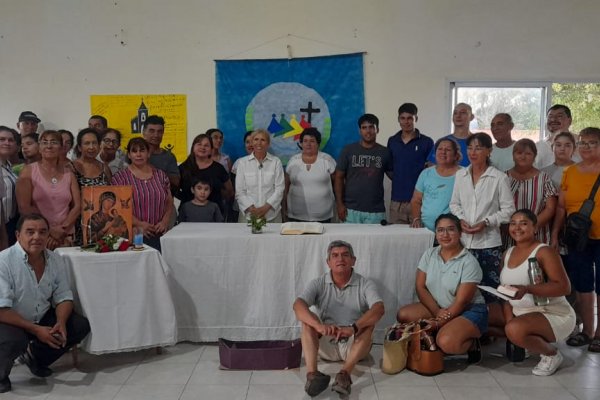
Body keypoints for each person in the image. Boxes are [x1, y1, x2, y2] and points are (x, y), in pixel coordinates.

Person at [0, 214, 91, 393]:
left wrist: (61, 323)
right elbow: (2, 309)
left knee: (79, 326)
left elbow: (64, 296)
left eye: (42, 232)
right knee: (14, 340)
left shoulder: (54, 259)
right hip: (10, 320)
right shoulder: (3, 261)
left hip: (39, 316)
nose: (37, 237)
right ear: (18, 235)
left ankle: (35, 357)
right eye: (30, 232)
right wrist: (35, 330)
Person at [293, 240, 384, 397]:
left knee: (369, 324)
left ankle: (344, 375)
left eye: (345, 255)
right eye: (335, 256)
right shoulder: (318, 283)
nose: (340, 259)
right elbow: (297, 305)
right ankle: (313, 375)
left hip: (353, 345)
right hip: (326, 342)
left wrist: (353, 328)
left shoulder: (365, 283)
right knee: (308, 320)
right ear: (328, 262)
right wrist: (319, 326)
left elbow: (379, 308)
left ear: (353, 260)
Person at [397, 214, 487, 363]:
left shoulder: (469, 262)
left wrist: (439, 322)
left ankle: (472, 344)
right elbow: (420, 287)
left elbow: (462, 302)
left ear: (460, 233)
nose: (445, 235)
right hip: (440, 307)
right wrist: (437, 312)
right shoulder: (429, 254)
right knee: (404, 315)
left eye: (451, 230)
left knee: (446, 342)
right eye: (440, 230)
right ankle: (446, 329)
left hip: (468, 309)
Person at [450, 132, 515, 329]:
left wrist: (486, 222)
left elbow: (509, 210)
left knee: (491, 290)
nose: (473, 152)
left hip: (488, 243)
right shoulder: (460, 175)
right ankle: (471, 330)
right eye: (470, 148)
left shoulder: (499, 177)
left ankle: (499, 331)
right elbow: (454, 204)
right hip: (464, 243)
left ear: (488, 151)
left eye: (478, 148)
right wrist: (460, 220)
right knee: (465, 290)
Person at [500, 209, 575, 376]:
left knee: (513, 329)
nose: (517, 228)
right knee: (487, 315)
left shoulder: (544, 251)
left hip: (551, 313)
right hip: (521, 311)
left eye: (523, 223)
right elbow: (506, 293)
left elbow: (564, 287)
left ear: (535, 228)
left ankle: (551, 354)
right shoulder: (507, 253)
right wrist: (508, 320)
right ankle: (524, 340)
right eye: (513, 223)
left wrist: (527, 289)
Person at [551, 127, 600, 353]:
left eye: (592, 142)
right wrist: (554, 235)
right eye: (583, 142)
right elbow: (561, 207)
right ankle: (588, 331)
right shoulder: (570, 172)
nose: (586, 146)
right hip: (577, 237)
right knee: (582, 284)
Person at [16, 130, 81, 250]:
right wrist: (49, 230)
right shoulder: (28, 171)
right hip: (37, 236)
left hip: (65, 236)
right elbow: (24, 207)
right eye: (44, 142)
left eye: (54, 142)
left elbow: (77, 206)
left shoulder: (69, 173)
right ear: (39, 147)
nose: (49, 146)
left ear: (61, 148)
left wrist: (61, 230)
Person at [112, 138, 174, 251]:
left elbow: (169, 201)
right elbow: (118, 208)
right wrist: (139, 224)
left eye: (142, 150)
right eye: (134, 151)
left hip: (160, 232)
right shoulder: (120, 178)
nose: (139, 154)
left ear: (148, 153)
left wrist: (165, 221)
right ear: (129, 155)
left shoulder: (161, 175)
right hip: (134, 234)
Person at [335, 114, 392, 223]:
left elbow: (394, 175)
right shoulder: (348, 150)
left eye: (371, 127)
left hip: (376, 211)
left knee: (376, 241)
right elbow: (338, 178)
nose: (368, 131)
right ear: (359, 130)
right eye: (364, 128)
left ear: (377, 129)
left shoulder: (385, 152)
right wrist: (340, 204)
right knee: (348, 240)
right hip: (350, 210)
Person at [505, 138, 557, 247]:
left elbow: (550, 208)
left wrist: (530, 226)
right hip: (510, 234)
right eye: (519, 153)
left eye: (528, 153)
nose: (523, 157)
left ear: (534, 156)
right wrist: (516, 227)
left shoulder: (544, 178)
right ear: (513, 155)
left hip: (537, 233)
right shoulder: (503, 178)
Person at [387, 103, 434, 224]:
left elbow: (431, 171)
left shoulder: (427, 142)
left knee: (420, 238)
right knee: (397, 239)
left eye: (410, 118)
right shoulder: (392, 141)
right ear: (398, 119)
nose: (406, 122)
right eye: (402, 118)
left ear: (416, 119)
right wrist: (401, 178)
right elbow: (389, 168)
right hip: (397, 201)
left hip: (420, 200)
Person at [283, 128, 336, 222]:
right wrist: (284, 209)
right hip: (295, 216)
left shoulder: (327, 160)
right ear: (301, 143)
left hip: (323, 216)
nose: (308, 144)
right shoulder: (293, 161)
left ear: (318, 144)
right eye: (305, 141)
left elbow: (337, 184)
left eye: (312, 141)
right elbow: (286, 186)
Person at [410, 138, 461, 231]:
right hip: (426, 230)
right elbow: (416, 201)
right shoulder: (426, 173)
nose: (443, 152)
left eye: (448, 150)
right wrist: (416, 219)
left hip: (452, 232)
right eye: (440, 149)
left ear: (455, 155)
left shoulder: (464, 174)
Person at [235, 129, 284, 222]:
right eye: (256, 139)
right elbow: (240, 191)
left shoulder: (276, 162)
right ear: (252, 143)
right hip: (248, 215)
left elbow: (279, 189)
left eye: (263, 140)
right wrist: (252, 209)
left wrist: (265, 208)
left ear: (268, 144)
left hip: (271, 215)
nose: (259, 143)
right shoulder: (242, 163)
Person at [178, 134, 233, 216]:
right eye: (199, 144)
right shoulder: (183, 168)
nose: (202, 147)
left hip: (214, 215)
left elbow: (229, 191)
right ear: (193, 147)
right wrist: (187, 198)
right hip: (188, 214)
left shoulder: (218, 168)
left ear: (211, 150)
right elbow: (174, 189)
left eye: (206, 145)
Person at [427, 103, 474, 167]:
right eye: (455, 113)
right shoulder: (442, 142)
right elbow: (431, 167)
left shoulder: (477, 142)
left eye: (463, 112)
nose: (458, 116)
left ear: (471, 117)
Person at [142, 115, 180, 193]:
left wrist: (155, 171)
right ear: (144, 132)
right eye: (151, 131)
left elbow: (176, 182)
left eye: (159, 131)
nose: (156, 135)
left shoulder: (169, 157)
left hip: (164, 201)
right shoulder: (134, 155)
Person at [536, 104, 577, 169]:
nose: (553, 119)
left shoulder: (581, 143)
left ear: (570, 121)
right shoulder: (538, 147)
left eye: (559, 116)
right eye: (550, 117)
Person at [0, 127, 19, 245]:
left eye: (11, 140)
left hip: (9, 224)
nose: (7, 143)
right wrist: (3, 235)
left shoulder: (9, 166)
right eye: (2, 139)